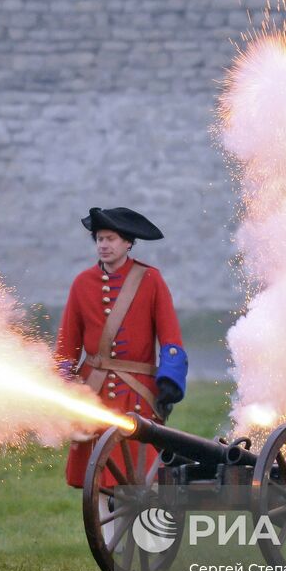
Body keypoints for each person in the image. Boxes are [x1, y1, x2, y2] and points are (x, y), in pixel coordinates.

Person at [58, 207, 188, 490]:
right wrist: (64, 386)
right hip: (94, 392)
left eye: (111, 239)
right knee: (99, 480)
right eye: (100, 239)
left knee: (144, 477)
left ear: (128, 242)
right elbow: (67, 346)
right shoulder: (82, 284)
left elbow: (171, 340)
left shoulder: (151, 280)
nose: (103, 245)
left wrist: (169, 381)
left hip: (137, 394)